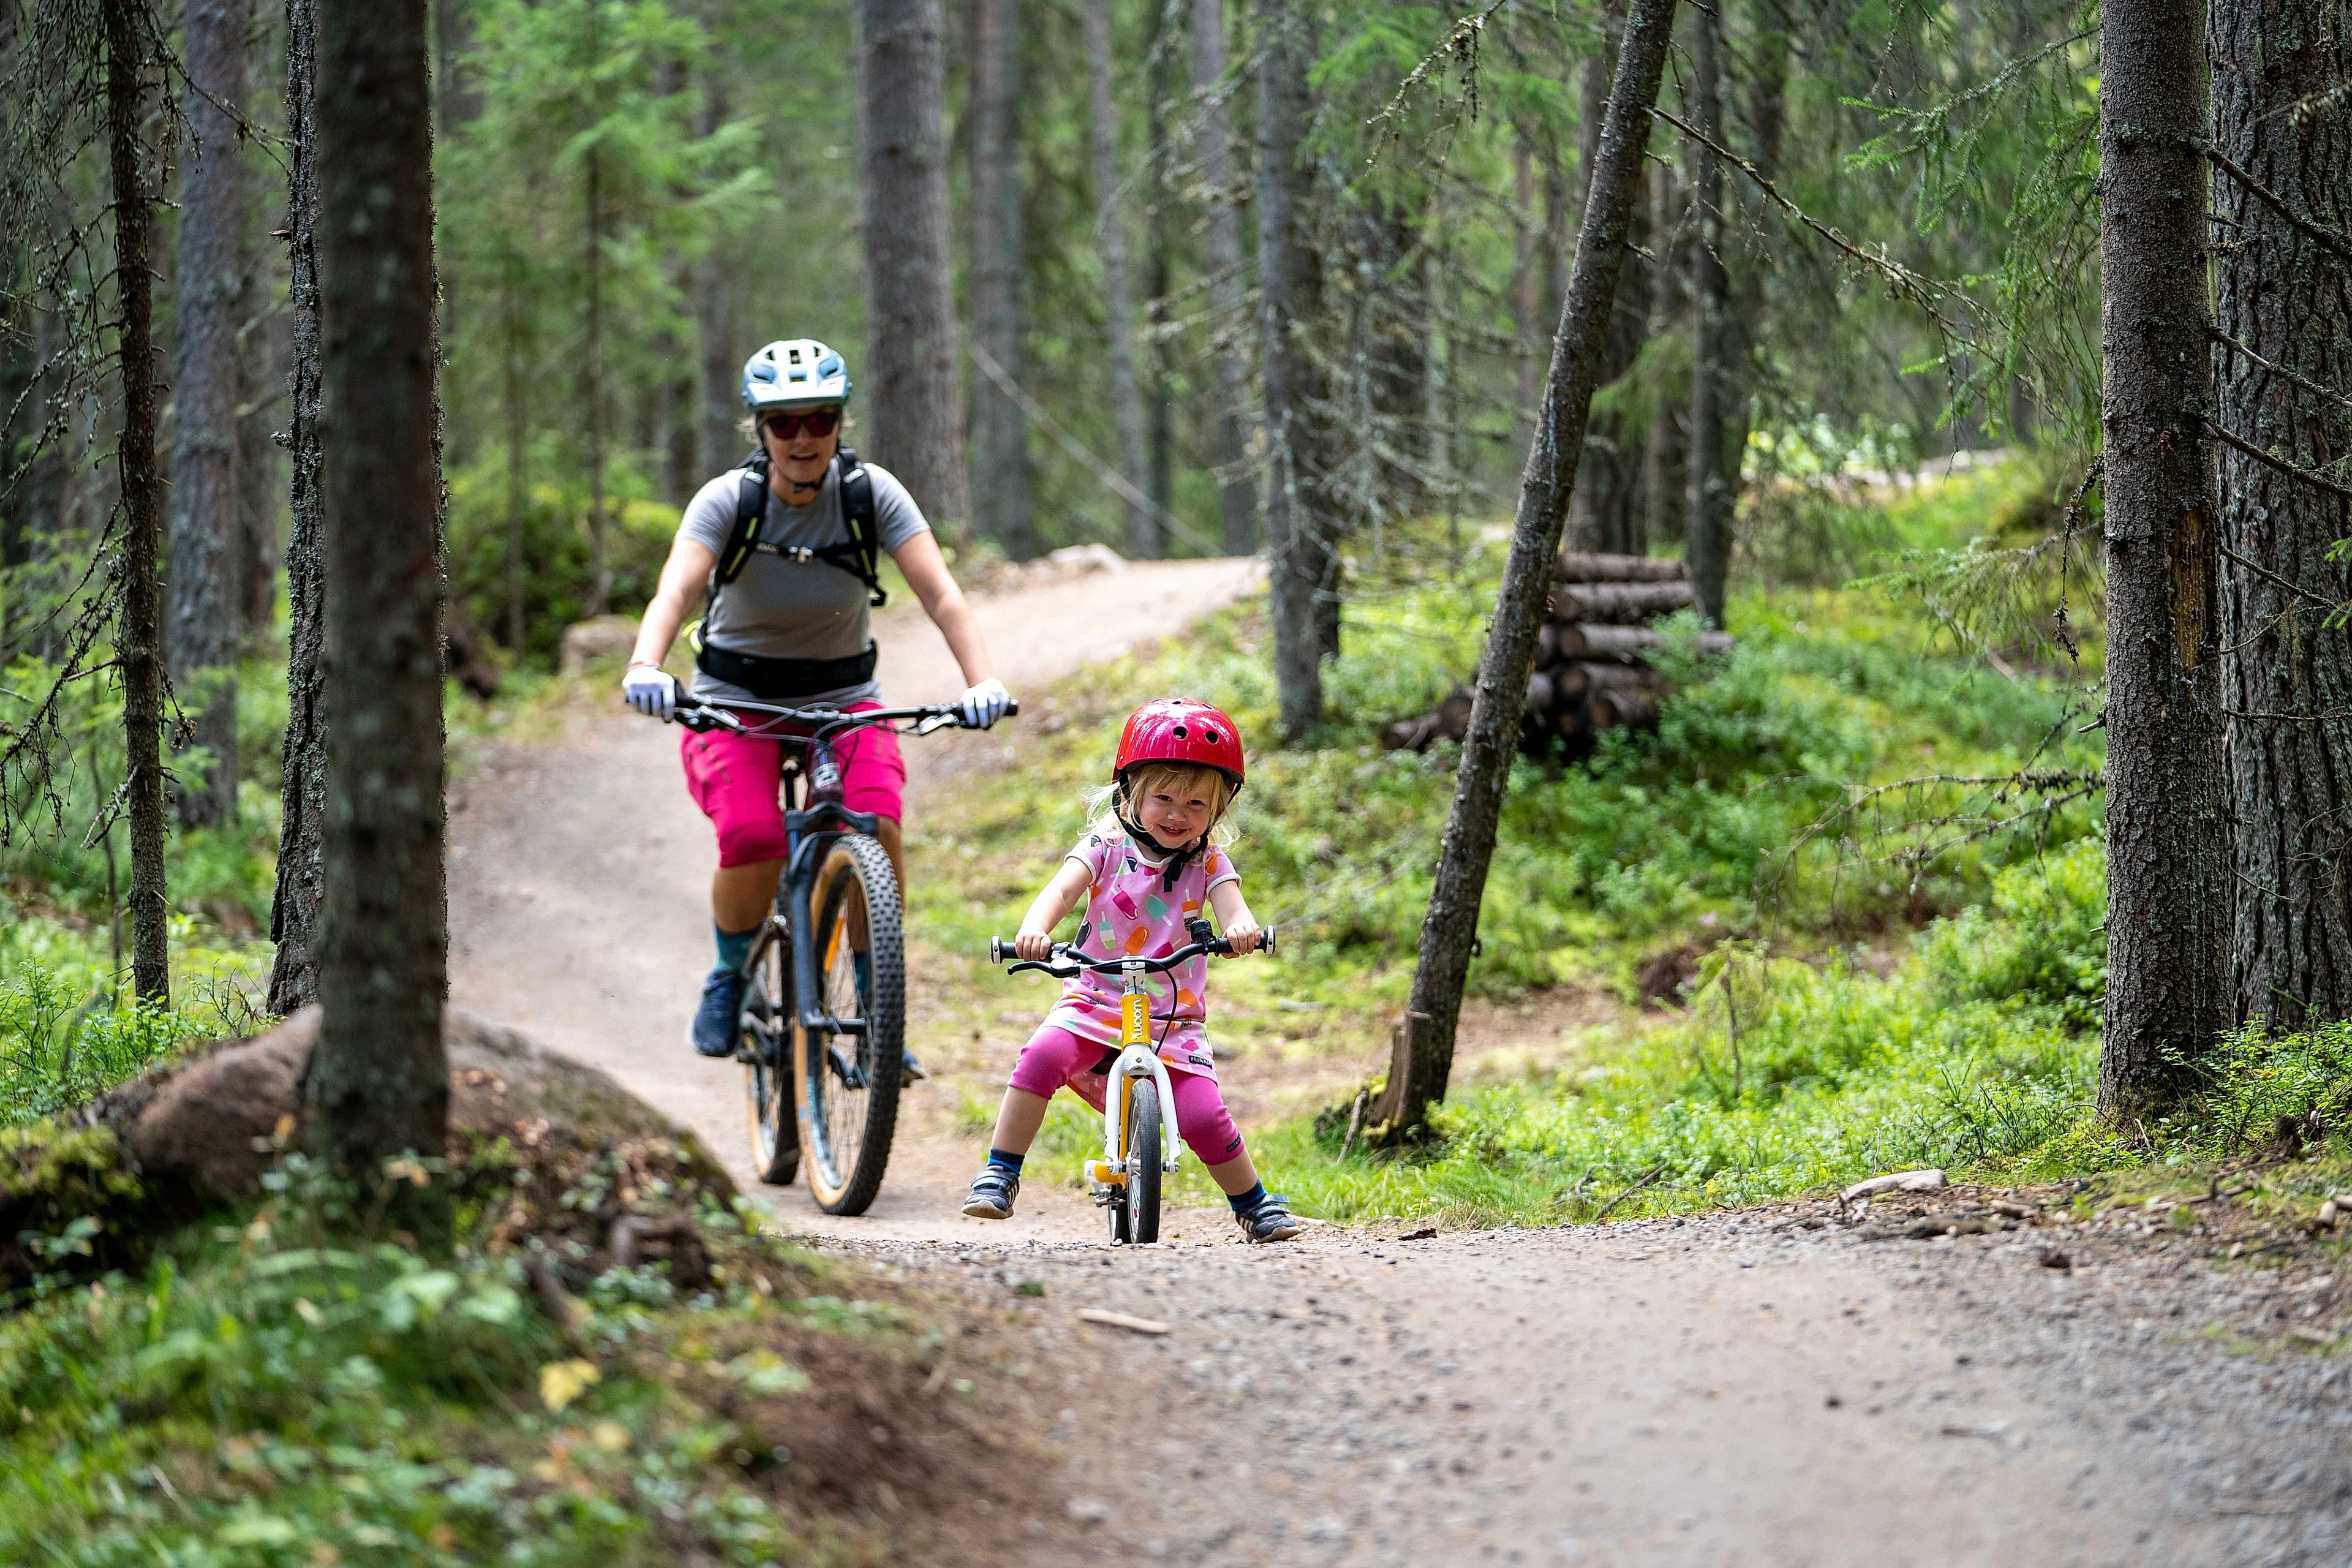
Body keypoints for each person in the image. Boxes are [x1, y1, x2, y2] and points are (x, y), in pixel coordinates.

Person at [622, 337, 1010, 1059]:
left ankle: (876, 1003)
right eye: (783, 422)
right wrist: (647, 662)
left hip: (844, 696)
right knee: (754, 837)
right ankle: (730, 976)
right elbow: (674, 589)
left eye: (819, 419)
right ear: (759, 428)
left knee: (879, 823)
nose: (802, 437)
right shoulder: (728, 502)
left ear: (839, 422)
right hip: (733, 701)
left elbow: (942, 594)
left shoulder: (871, 495)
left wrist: (980, 681)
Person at [962, 697, 1304, 1243]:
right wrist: (1035, 930)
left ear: (1218, 811)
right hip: (1095, 997)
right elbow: (1061, 890)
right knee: (1042, 1055)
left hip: (1174, 1017)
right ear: (1130, 793)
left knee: (1203, 1117)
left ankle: (1254, 1204)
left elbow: (1234, 907)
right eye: (1163, 797)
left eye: (1196, 803)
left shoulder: (1210, 862)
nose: (1177, 814)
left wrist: (1241, 930)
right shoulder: (1104, 847)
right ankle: (1000, 1172)